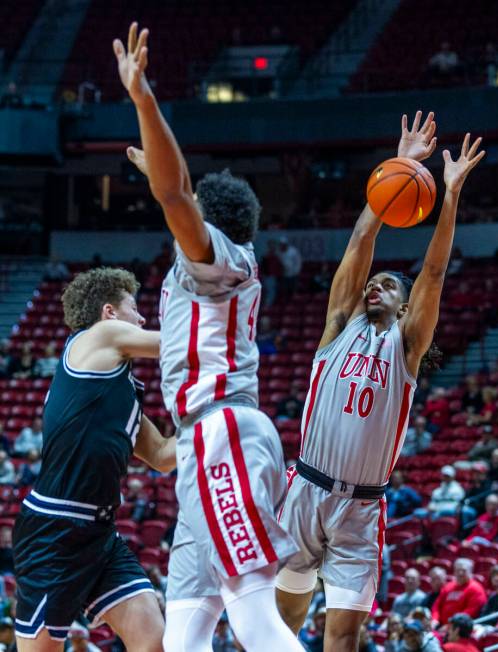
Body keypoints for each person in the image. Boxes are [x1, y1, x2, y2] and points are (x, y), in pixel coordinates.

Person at [114, 23, 303, 652]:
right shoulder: (203, 273)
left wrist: (145, 104)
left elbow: (175, 191)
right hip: (203, 445)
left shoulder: (218, 255)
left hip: (221, 430)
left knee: (253, 618)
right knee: (184, 635)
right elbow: (171, 191)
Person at [275, 110, 484, 652]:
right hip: (305, 489)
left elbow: (434, 272)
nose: (374, 286)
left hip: (362, 508)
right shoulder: (338, 326)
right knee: (280, 621)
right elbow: (359, 241)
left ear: (406, 303)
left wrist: (451, 193)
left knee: (342, 636)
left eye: (388, 285)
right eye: (373, 282)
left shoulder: (406, 347)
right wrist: (400, 165)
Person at [13, 267, 177, 651]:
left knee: (154, 641)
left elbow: (164, 457)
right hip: (54, 530)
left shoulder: (116, 393)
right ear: (109, 312)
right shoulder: (97, 336)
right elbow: (178, 344)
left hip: (100, 533)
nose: (141, 318)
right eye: (135, 309)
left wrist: (209, 412)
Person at [432, 559, 487, 625]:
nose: (460, 573)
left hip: (460, 628)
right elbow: (437, 606)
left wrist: (450, 626)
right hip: (441, 626)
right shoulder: (448, 587)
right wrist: (435, 619)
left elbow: (470, 613)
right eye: (458, 570)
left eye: (464, 571)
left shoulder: (476, 589)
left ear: (470, 572)